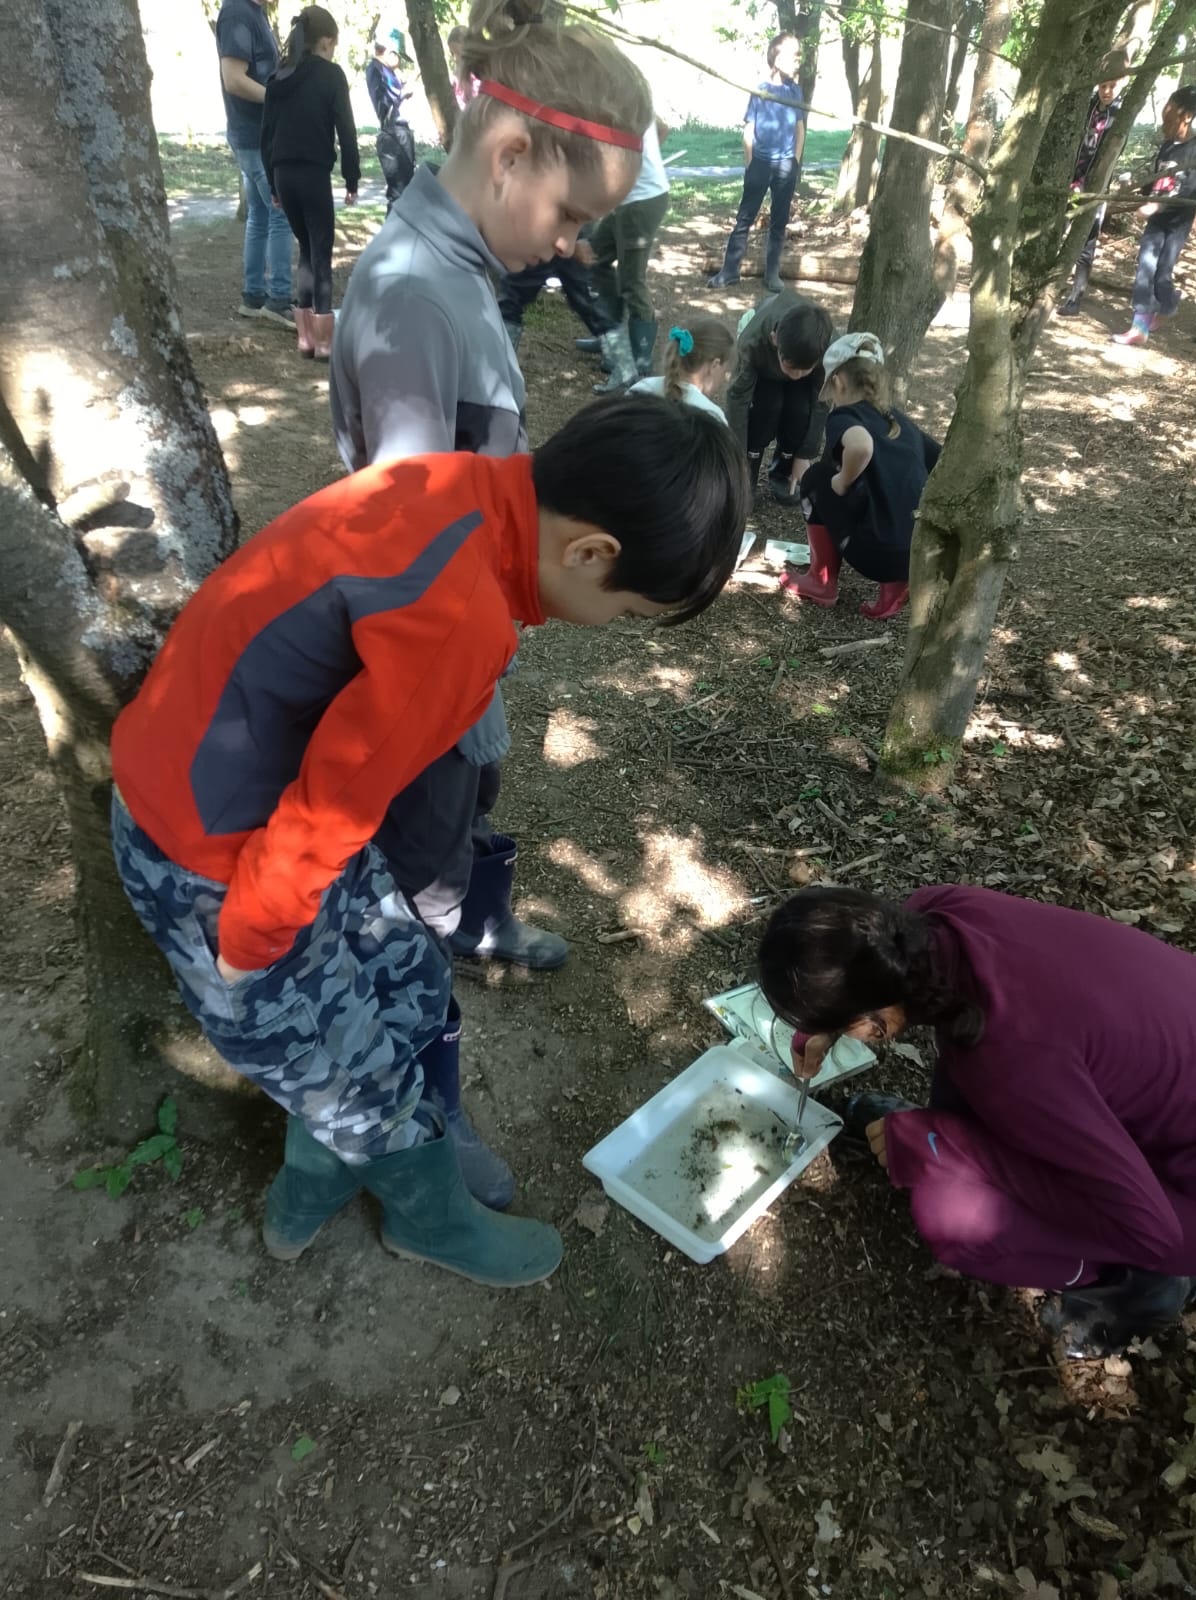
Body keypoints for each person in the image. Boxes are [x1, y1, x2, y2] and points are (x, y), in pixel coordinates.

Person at [110, 397, 752, 1285]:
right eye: (632, 611)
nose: (616, 627)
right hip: (217, 858)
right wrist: (252, 945)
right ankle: (428, 1219)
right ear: (591, 553)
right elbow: (333, 805)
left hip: (233, 794)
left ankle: (315, 1178)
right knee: (345, 1071)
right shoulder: (460, 620)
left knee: (408, 976)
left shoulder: (456, 485)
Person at [329, 0, 651, 1196]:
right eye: (571, 217)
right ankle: (424, 1104)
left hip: (472, 638)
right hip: (427, 660)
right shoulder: (419, 296)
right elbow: (411, 550)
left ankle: (477, 920)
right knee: (413, 869)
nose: (573, 246)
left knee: (476, 795)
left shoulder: (464, 276)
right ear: (512, 154)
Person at [758, 884, 1196, 1359]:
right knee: (964, 1091)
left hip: (1171, 1214)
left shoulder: (1011, 1062)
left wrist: (942, 1144)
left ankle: (1138, 1287)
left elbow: (1154, 1230)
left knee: (951, 1212)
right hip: (1157, 1066)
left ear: (872, 1023)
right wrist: (823, 1024)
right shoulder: (931, 915)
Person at [780, 331, 939, 621]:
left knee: (816, 477)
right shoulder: (900, 422)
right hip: (915, 555)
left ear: (838, 382)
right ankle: (895, 587)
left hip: (876, 557)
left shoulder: (845, 417)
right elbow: (941, 457)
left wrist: (842, 481)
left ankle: (821, 580)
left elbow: (861, 446)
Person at [261, 7, 360, 361]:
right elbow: (346, 131)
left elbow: (266, 136)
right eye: (334, 45)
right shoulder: (331, 76)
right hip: (313, 174)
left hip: (283, 174)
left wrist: (273, 184)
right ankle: (324, 342)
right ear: (326, 41)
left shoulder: (279, 77)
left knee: (305, 247)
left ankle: (304, 338)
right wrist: (351, 177)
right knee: (321, 251)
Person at [708, 34, 806, 295]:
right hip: (760, 163)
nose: (798, 60)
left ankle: (772, 274)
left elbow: (800, 129)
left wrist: (795, 162)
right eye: (794, 55)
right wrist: (750, 162)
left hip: (785, 165)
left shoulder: (795, 92)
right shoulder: (760, 90)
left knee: (779, 221)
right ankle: (730, 271)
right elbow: (749, 128)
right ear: (777, 59)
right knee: (744, 218)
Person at [215, 0, 294, 326]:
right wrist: (277, 100)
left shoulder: (254, 12)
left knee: (260, 215)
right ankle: (278, 299)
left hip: (259, 134)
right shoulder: (237, 12)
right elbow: (233, 78)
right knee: (281, 212)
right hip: (252, 135)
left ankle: (254, 296)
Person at [581, 116, 672, 390]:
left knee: (631, 281)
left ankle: (637, 364)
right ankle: (611, 338)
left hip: (641, 201)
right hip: (629, 198)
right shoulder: (622, 100)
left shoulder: (616, 106)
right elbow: (661, 128)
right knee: (595, 258)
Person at [724, 289, 831, 504]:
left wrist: (805, 454)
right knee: (767, 407)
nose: (795, 375)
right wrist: (737, 458)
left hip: (802, 377)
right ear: (774, 340)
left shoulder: (825, 348)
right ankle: (748, 469)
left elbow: (821, 400)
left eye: (803, 370)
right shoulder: (752, 343)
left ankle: (784, 469)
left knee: (800, 410)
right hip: (764, 372)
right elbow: (738, 398)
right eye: (791, 368)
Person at [1113, 86, 1196, 346]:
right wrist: (1135, 189)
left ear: (1186, 117)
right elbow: (1156, 183)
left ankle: (1169, 303)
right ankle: (1139, 328)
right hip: (1157, 222)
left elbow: (1189, 189)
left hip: (1178, 223)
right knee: (1145, 266)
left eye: (1169, 120)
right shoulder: (1167, 147)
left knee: (1163, 272)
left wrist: (1157, 206)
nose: (1164, 127)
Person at [1057, 53, 1127, 318]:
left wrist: (1093, 187)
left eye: (1112, 86)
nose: (1106, 91)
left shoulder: (1122, 115)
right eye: (1103, 85)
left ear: (1123, 82)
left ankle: (1075, 297)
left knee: (1086, 241)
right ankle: (1048, 284)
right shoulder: (1087, 108)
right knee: (1056, 231)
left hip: (1096, 188)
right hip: (1069, 183)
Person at [497, 230, 610, 353]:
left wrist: (572, 240)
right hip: (551, 236)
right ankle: (615, 346)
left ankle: (617, 350)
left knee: (512, 296)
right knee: (512, 297)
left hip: (554, 236)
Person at [630, 316, 734, 422]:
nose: (723, 379)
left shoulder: (641, 389)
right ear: (715, 365)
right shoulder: (711, 417)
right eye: (724, 371)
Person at [366, 29, 416, 212]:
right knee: (399, 195)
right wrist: (403, 93)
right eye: (399, 56)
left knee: (407, 192)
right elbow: (384, 105)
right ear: (389, 52)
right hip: (392, 135)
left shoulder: (387, 72)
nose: (400, 62)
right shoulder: (376, 70)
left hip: (400, 132)